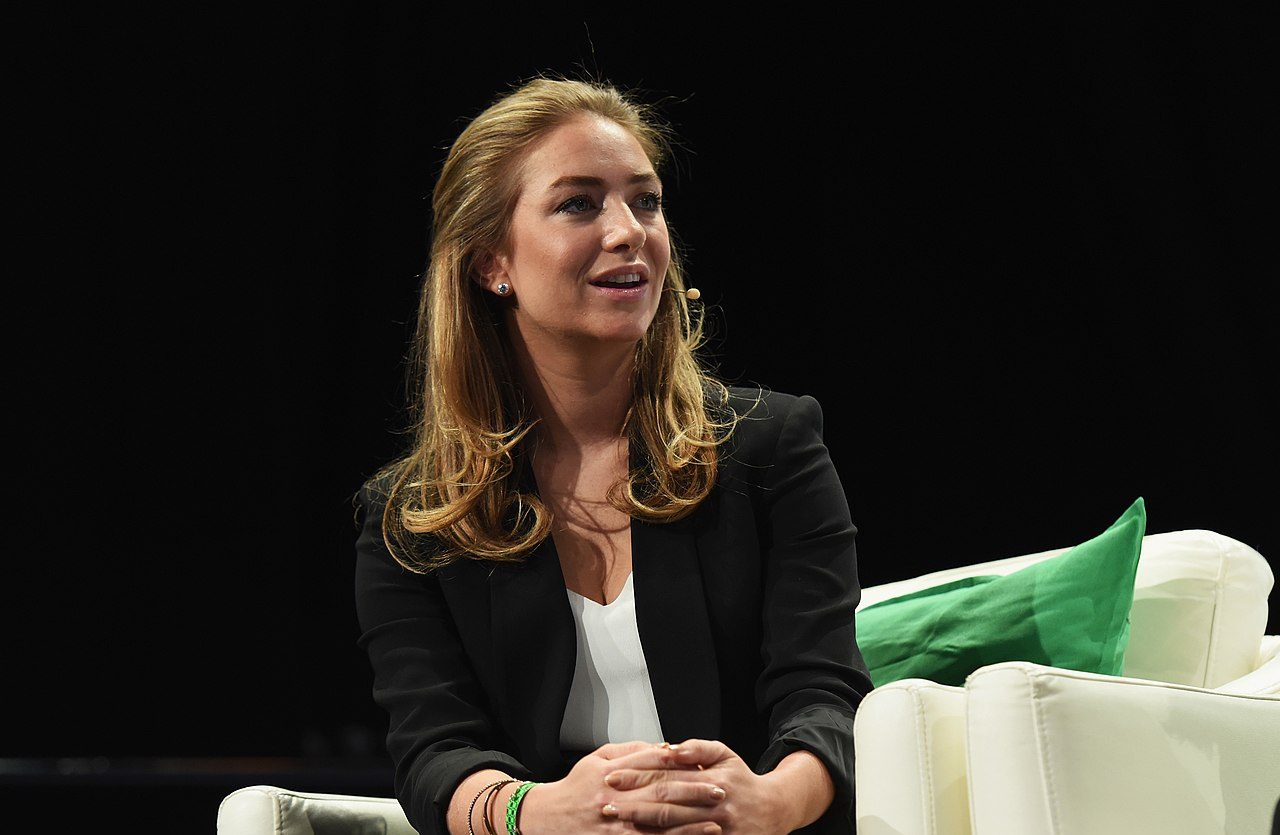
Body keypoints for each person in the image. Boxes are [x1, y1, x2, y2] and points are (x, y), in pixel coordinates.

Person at [354, 74, 873, 835]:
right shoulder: (414, 518)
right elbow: (436, 751)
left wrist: (765, 804)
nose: (630, 230)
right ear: (491, 263)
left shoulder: (772, 445)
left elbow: (824, 695)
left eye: (646, 200)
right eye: (579, 203)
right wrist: (539, 811)